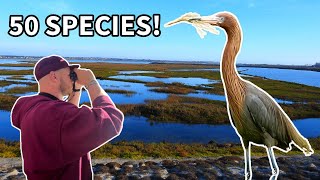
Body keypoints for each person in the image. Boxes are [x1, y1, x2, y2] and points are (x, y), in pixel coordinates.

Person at [11, 55, 124, 180]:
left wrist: (75, 90)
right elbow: (112, 119)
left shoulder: (27, 105)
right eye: (70, 74)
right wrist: (91, 82)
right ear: (54, 76)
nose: (72, 78)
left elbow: (66, 121)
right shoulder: (57, 113)